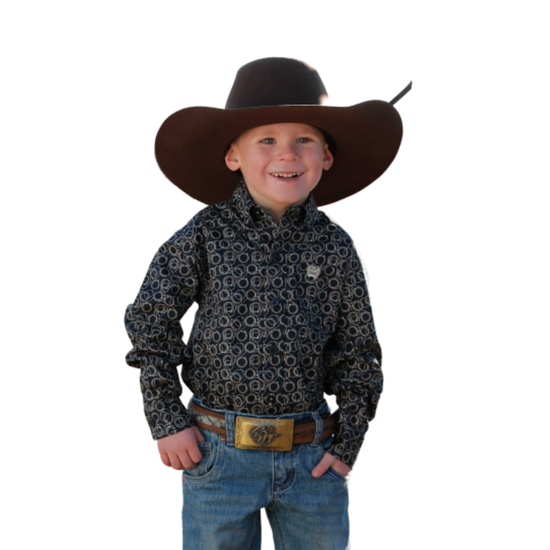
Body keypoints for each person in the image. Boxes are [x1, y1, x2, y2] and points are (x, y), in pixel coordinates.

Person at [124, 57, 411, 550]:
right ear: (233, 156)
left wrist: (347, 442)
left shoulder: (335, 248)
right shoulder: (205, 236)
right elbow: (150, 320)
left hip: (312, 459)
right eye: (267, 140)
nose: (288, 154)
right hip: (217, 453)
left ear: (326, 157)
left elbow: (358, 352)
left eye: (304, 140)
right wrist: (167, 418)